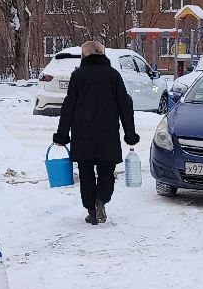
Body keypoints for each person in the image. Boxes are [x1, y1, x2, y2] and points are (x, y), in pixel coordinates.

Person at [53, 41, 139, 225]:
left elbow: (69, 106)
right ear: (103, 55)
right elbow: (125, 105)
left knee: (86, 173)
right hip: (107, 133)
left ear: (84, 56)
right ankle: (101, 200)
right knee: (107, 171)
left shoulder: (78, 76)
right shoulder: (113, 75)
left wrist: (62, 135)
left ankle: (91, 211)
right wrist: (130, 134)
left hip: (82, 133)